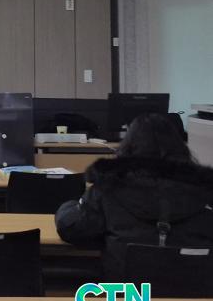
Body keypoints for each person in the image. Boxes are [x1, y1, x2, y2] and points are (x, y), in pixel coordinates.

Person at [56, 113, 213, 281]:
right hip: (194, 291)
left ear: (128, 146)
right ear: (180, 146)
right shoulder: (205, 191)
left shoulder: (108, 187)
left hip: (125, 291)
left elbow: (72, 229)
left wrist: (70, 206)